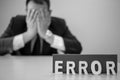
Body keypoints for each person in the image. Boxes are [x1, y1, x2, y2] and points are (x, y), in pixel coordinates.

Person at [0, 0, 82, 55]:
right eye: (32, 12)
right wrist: (28, 34)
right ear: (26, 12)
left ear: (49, 13)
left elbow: (77, 48)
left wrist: (48, 36)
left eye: (41, 13)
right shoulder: (16, 23)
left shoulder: (59, 24)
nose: (36, 17)